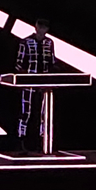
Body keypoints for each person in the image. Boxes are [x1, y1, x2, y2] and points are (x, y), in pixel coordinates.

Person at [13, 18, 56, 152]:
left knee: (44, 113)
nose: (42, 30)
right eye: (40, 26)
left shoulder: (49, 43)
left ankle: (42, 140)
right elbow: (19, 63)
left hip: (45, 83)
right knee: (26, 112)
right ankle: (21, 140)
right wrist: (26, 77)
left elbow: (52, 61)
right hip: (29, 82)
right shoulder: (25, 42)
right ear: (36, 27)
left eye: (45, 27)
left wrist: (49, 78)